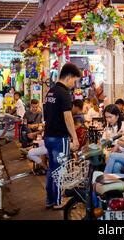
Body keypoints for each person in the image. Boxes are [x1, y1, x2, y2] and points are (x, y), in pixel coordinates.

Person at [43, 62, 81, 209]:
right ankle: (58, 201)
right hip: (60, 138)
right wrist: (75, 138)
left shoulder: (51, 92)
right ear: (69, 77)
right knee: (60, 170)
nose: (74, 84)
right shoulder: (64, 94)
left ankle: (50, 200)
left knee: (52, 168)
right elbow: (68, 117)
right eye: (75, 80)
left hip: (48, 136)